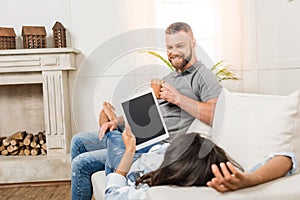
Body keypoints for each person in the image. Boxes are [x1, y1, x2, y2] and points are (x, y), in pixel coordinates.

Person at [71, 22, 222, 199]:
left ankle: (118, 144)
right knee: (79, 140)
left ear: (193, 43)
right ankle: (115, 128)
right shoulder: (169, 77)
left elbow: (216, 114)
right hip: (147, 133)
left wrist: (178, 99)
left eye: (180, 46)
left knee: (81, 164)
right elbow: (154, 114)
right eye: (169, 47)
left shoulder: (203, 76)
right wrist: (118, 121)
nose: (173, 52)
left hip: (161, 146)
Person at [104, 124, 296, 200]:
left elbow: (112, 194)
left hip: (134, 163)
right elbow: (286, 158)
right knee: (111, 134)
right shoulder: (217, 176)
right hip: (159, 150)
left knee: (111, 136)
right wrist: (252, 178)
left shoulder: (147, 193)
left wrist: (130, 150)